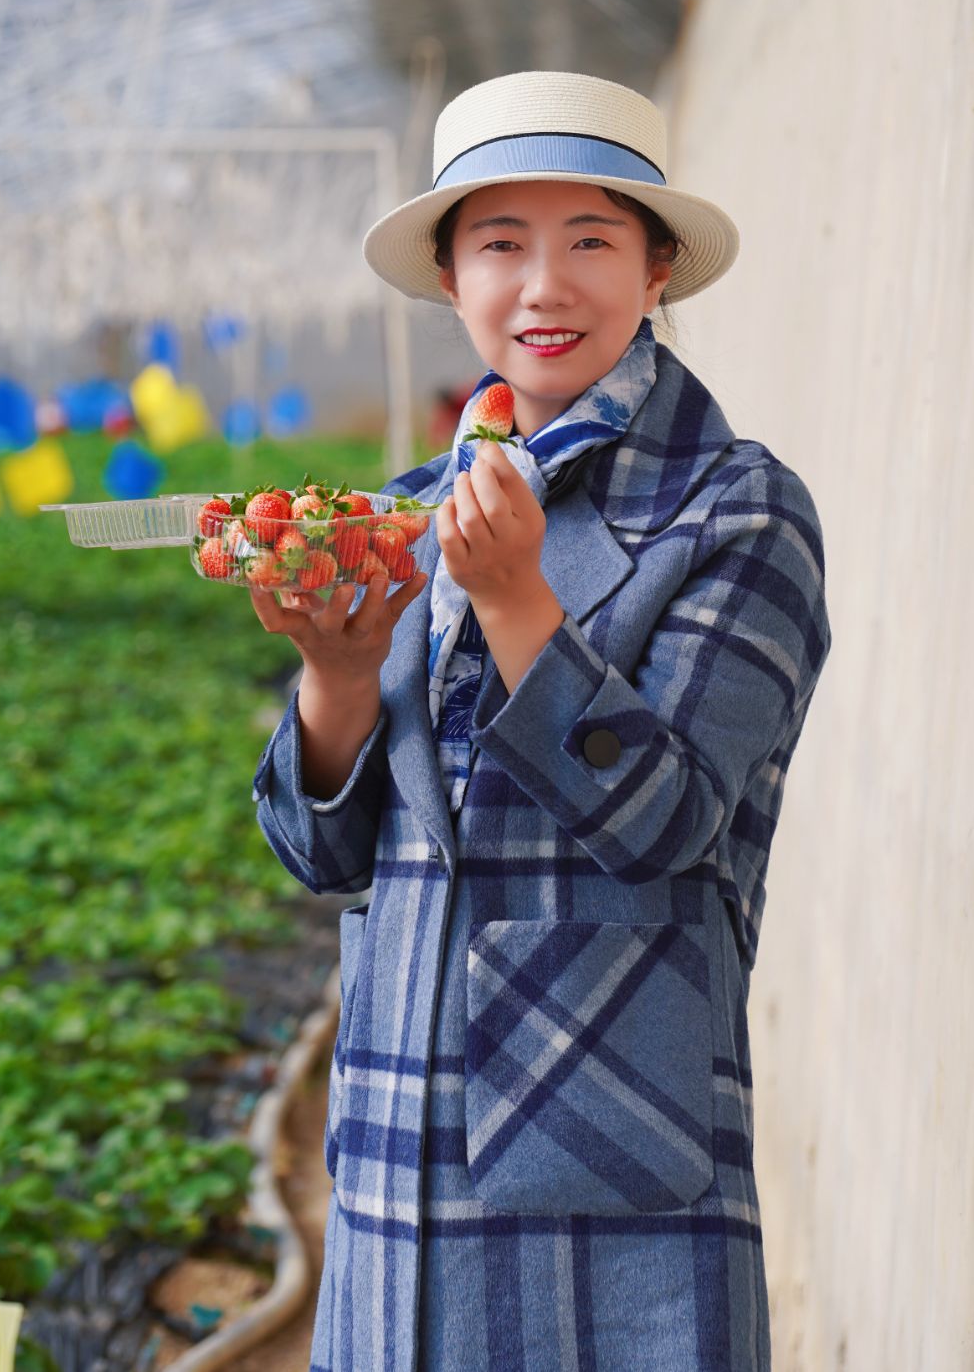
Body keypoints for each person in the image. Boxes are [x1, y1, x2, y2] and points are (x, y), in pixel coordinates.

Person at [249, 70, 833, 1371]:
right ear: (450, 276)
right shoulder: (409, 508)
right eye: (500, 244)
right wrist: (336, 680)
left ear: (657, 265)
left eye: (590, 242)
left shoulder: (733, 514)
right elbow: (323, 858)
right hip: (397, 1143)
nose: (543, 287)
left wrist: (515, 602)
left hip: (605, 1140)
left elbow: (672, 823)